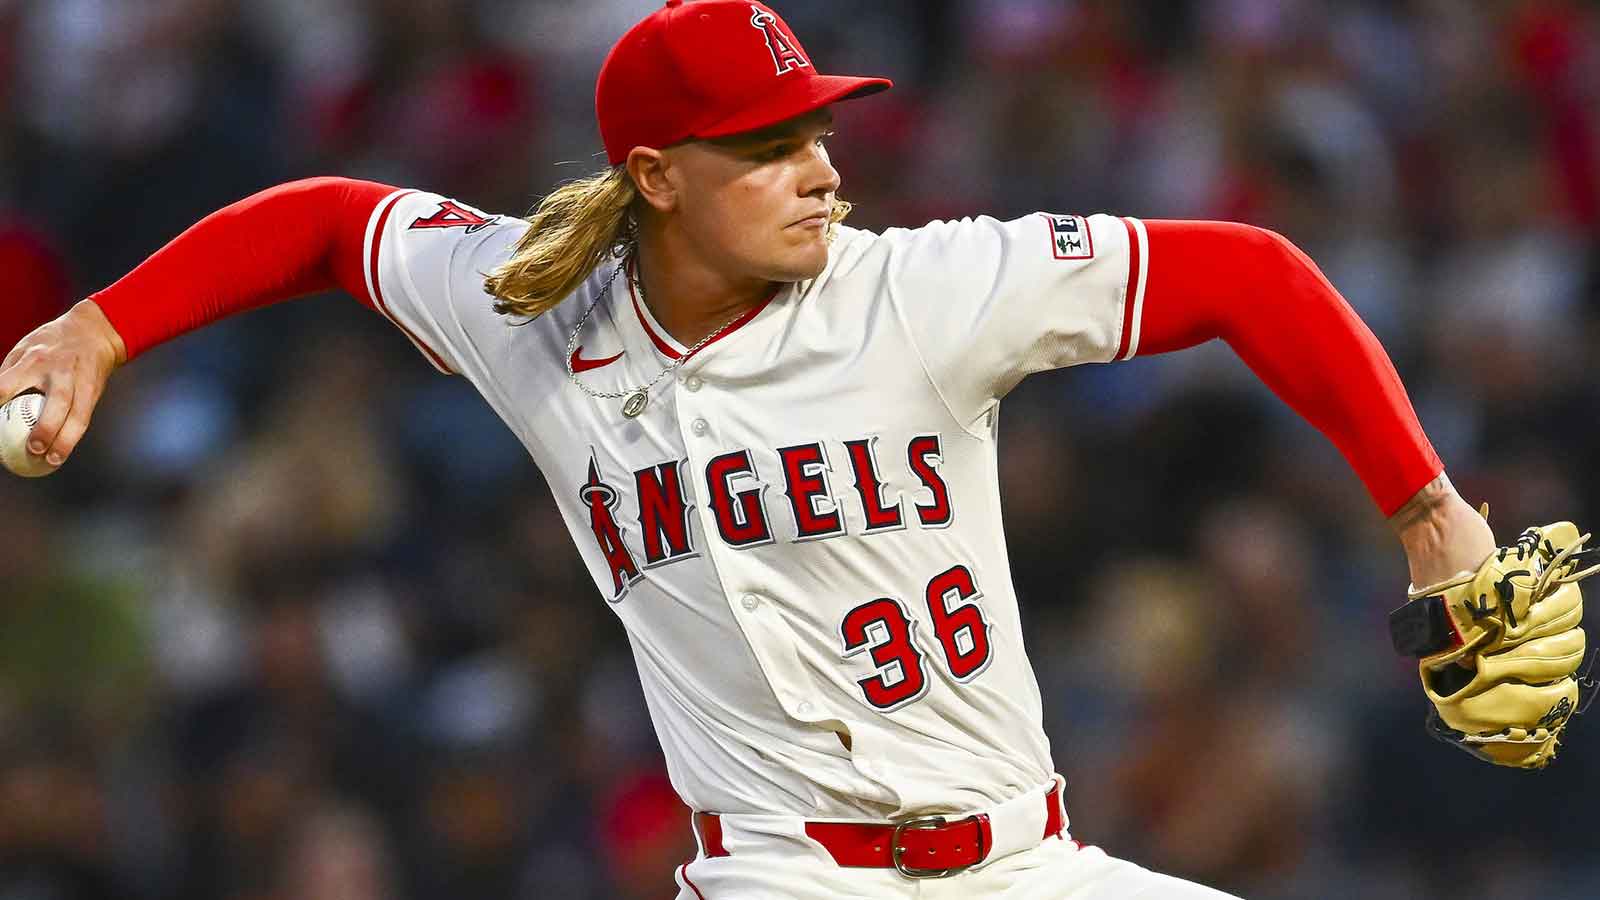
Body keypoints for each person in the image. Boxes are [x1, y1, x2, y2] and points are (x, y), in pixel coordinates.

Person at [0, 1, 1511, 897]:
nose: (822, 169)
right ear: (655, 176)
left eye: (819, 128)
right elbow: (332, 223)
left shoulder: (920, 290)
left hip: (1029, 863)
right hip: (782, 875)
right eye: (771, 145)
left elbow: (1250, 272)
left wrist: (1427, 507)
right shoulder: (534, 311)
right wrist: (104, 326)